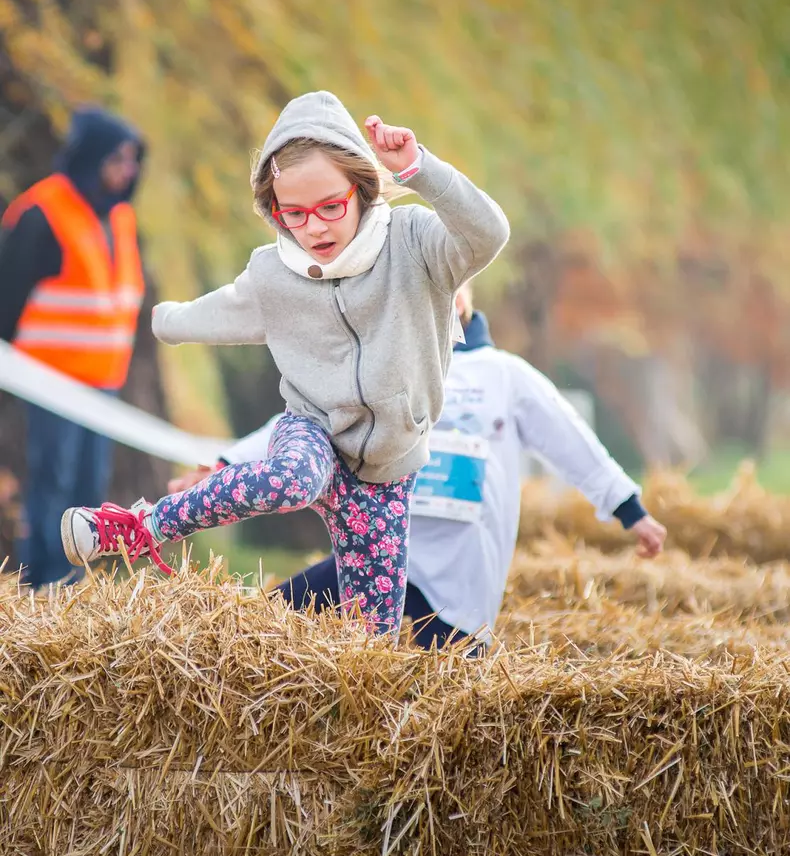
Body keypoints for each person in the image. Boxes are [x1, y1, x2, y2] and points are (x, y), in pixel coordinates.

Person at [60, 92, 510, 635]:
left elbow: (489, 233)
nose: (314, 228)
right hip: (312, 433)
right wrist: (160, 319)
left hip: (387, 474)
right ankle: (136, 527)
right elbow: (222, 311)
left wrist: (420, 169)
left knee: (375, 641)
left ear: (361, 190)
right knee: (293, 479)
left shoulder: (415, 244)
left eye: (329, 207)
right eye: (292, 214)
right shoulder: (275, 274)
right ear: (274, 211)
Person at [169, 283, 667, 650]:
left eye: (443, 284)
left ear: (465, 294)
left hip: (459, 578)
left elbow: (573, 443)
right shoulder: (379, 372)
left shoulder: (506, 377)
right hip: (376, 548)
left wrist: (630, 510)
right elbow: (305, 421)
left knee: (442, 700)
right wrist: (223, 464)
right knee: (262, 626)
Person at [0, 107, 146, 588]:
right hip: (51, 380)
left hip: (102, 382)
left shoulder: (120, 216)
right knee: (51, 484)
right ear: (91, 158)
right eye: (118, 159)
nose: (128, 171)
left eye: (132, 160)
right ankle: (42, 580)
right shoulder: (42, 212)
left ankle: (75, 583)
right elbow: (8, 299)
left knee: (87, 491)